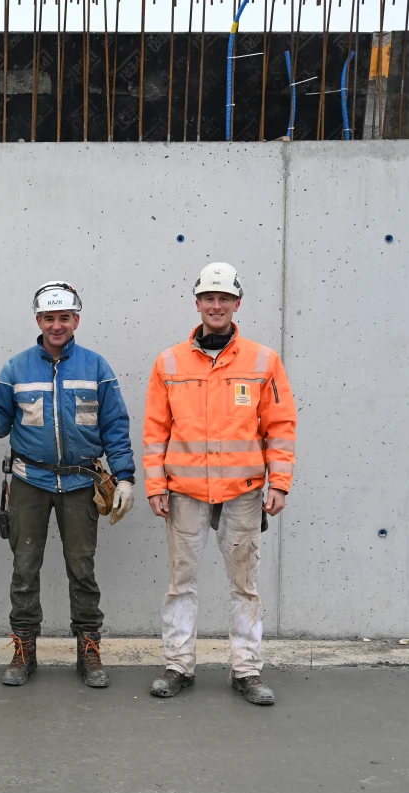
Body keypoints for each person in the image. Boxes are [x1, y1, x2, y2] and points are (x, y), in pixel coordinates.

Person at [141, 262, 298, 706]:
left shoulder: (263, 360)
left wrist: (279, 482)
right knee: (180, 583)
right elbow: (155, 430)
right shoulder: (169, 362)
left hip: (242, 492)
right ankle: (178, 666)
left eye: (224, 298)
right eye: (209, 298)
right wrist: (155, 484)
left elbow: (280, 425)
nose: (216, 305)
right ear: (197, 303)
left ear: (237, 304)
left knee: (245, 585)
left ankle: (246, 670)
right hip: (185, 492)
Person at [0, 281, 136, 688]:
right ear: (38, 320)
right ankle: (24, 651)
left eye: (64, 317)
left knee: (82, 569)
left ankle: (89, 651)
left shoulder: (97, 368)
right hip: (29, 481)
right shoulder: (16, 368)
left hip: (81, 483)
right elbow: (1, 422)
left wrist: (125, 477)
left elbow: (115, 426)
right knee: (24, 569)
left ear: (76, 319)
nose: (56, 325)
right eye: (49, 318)